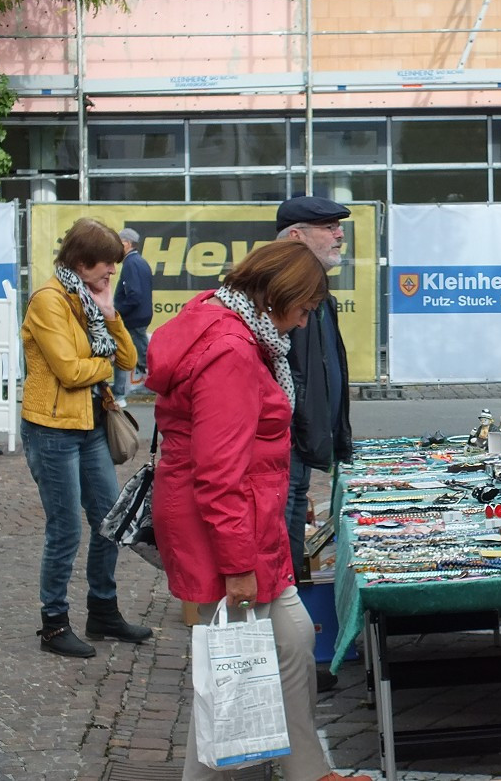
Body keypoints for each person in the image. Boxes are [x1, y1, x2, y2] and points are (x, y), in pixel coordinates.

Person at [146, 240, 362, 781]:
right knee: (232, 675)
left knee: (289, 638)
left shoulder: (228, 322)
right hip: (230, 531)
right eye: (306, 308)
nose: (305, 320)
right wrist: (238, 564)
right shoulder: (233, 351)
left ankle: (308, 770)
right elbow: (220, 474)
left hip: (246, 524)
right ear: (280, 296)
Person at [21, 217, 153, 659]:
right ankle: (54, 625)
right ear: (80, 261)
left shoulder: (89, 299)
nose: (111, 274)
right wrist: (105, 366)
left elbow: (131, 359)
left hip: (90, 425)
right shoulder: (49, 301)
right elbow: (70, 371)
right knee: (65, 531)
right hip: (52, 428)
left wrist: (111, 316)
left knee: (110, 521)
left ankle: (103, 611)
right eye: (106, 267)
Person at [275, 196, 354, 693]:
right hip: (285, 449)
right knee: (280, 556)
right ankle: (291, 672)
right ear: (294, 236)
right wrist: (306, 441)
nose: (339, 235)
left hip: (301, 447)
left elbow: (329, 369)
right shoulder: (282, 290)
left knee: (289, 550)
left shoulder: (315, 288)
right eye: (327, 227)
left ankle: (297, 663)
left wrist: (335, 439)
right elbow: (291, 378)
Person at [111, 228, 153, 407]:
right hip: (139, 316)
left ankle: (120, 393)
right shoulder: (140, 262)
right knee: (137, 352)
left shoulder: (131, 264)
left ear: (126, 243)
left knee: (126, 352)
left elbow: (134, 295)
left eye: (118, 242)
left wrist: (118, 311)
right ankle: (122, 391)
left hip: (132, 318)